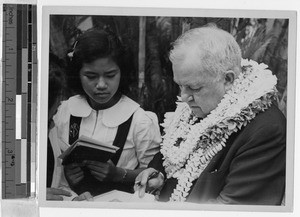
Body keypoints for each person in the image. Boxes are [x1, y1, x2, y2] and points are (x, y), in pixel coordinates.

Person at [134, 26, 286, 205]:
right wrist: (157, 174)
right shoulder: (198, 104)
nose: (183, 97)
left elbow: (234, 208)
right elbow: (171, 153)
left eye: (195, 88)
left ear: (228, 80)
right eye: (180, 85)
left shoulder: (265, 130)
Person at [48, 29, 161, 199]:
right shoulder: (63, 111)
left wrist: (119, 174)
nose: (101, 85)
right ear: (77, 74)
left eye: (110, 75)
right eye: (91, 76)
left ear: (122, 73)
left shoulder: (140, 120)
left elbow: (154, 176)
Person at [47, 53, 92, 201]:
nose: (60, 102)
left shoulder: (51, 127)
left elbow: (55, 185)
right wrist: (31, 195)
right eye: (58, 96)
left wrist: (72, 200)